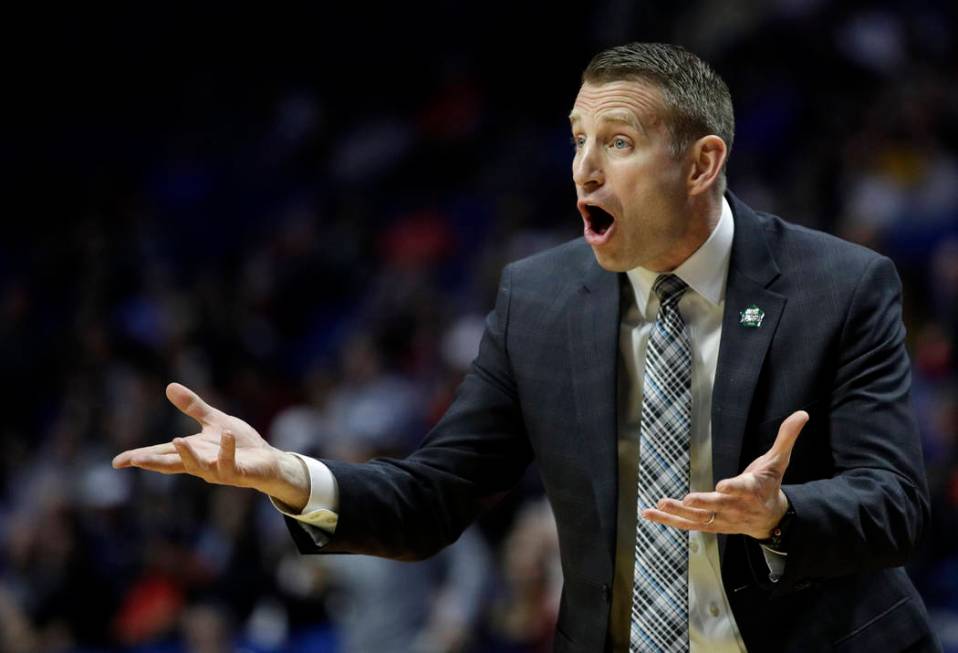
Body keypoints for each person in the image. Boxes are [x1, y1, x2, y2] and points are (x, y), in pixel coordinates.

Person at [113, 43, 940, 652]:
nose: (582, 168)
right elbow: (435, 494)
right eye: (576, 139)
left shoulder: (842, 285)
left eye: (615, 142)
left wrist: (781, 513)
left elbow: (896, 504)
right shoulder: (538, 300)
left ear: (702, 163)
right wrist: (288, 474)